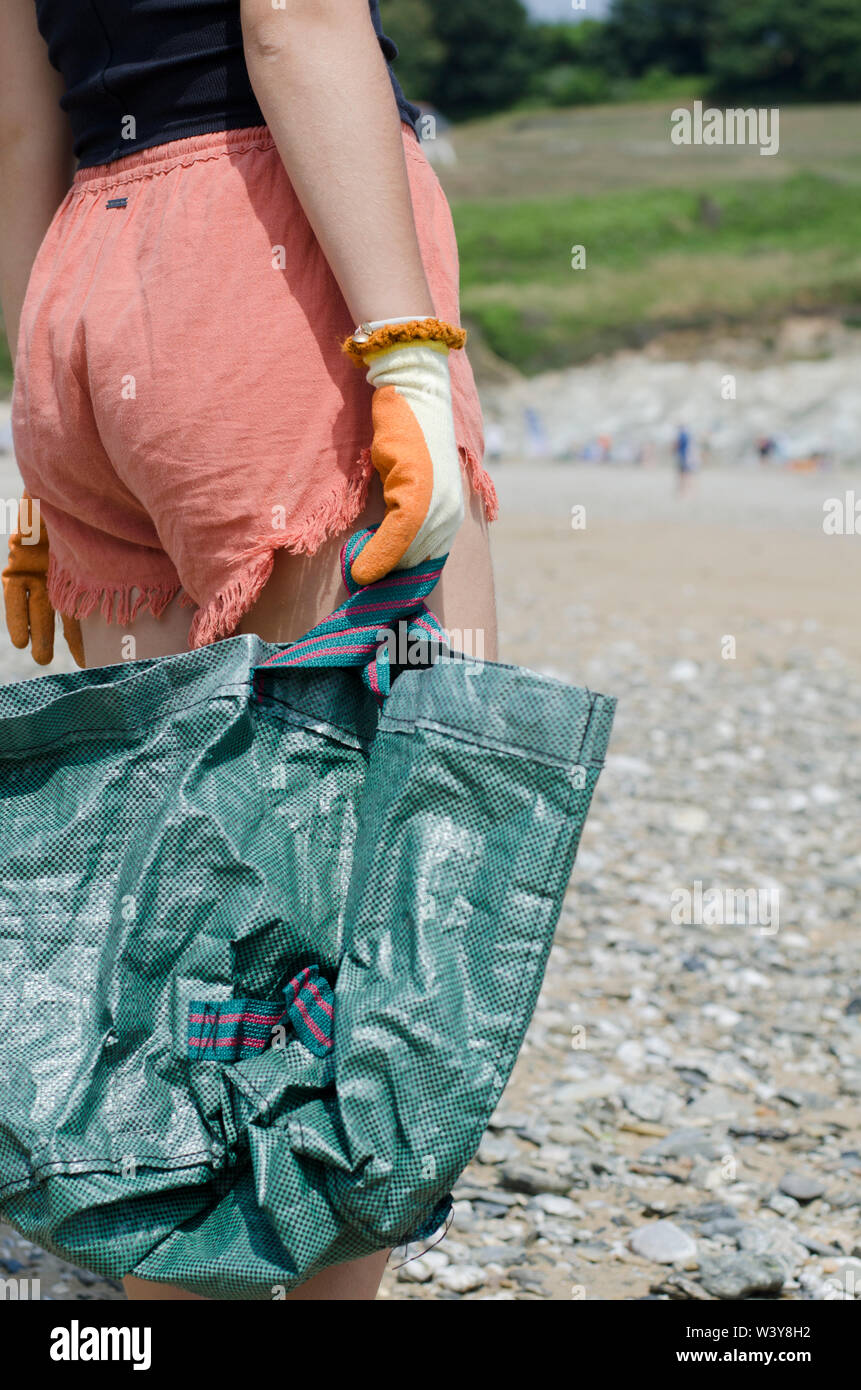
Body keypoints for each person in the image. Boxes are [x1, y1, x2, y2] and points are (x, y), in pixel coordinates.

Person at [0, 0, 498, 1300]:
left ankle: (166, 1286)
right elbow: (295, 17)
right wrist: (406, 352)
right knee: (374, 872)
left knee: (172, 888)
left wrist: (39, 458)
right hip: (263, 261)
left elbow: (14, 118)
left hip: (78, 295)